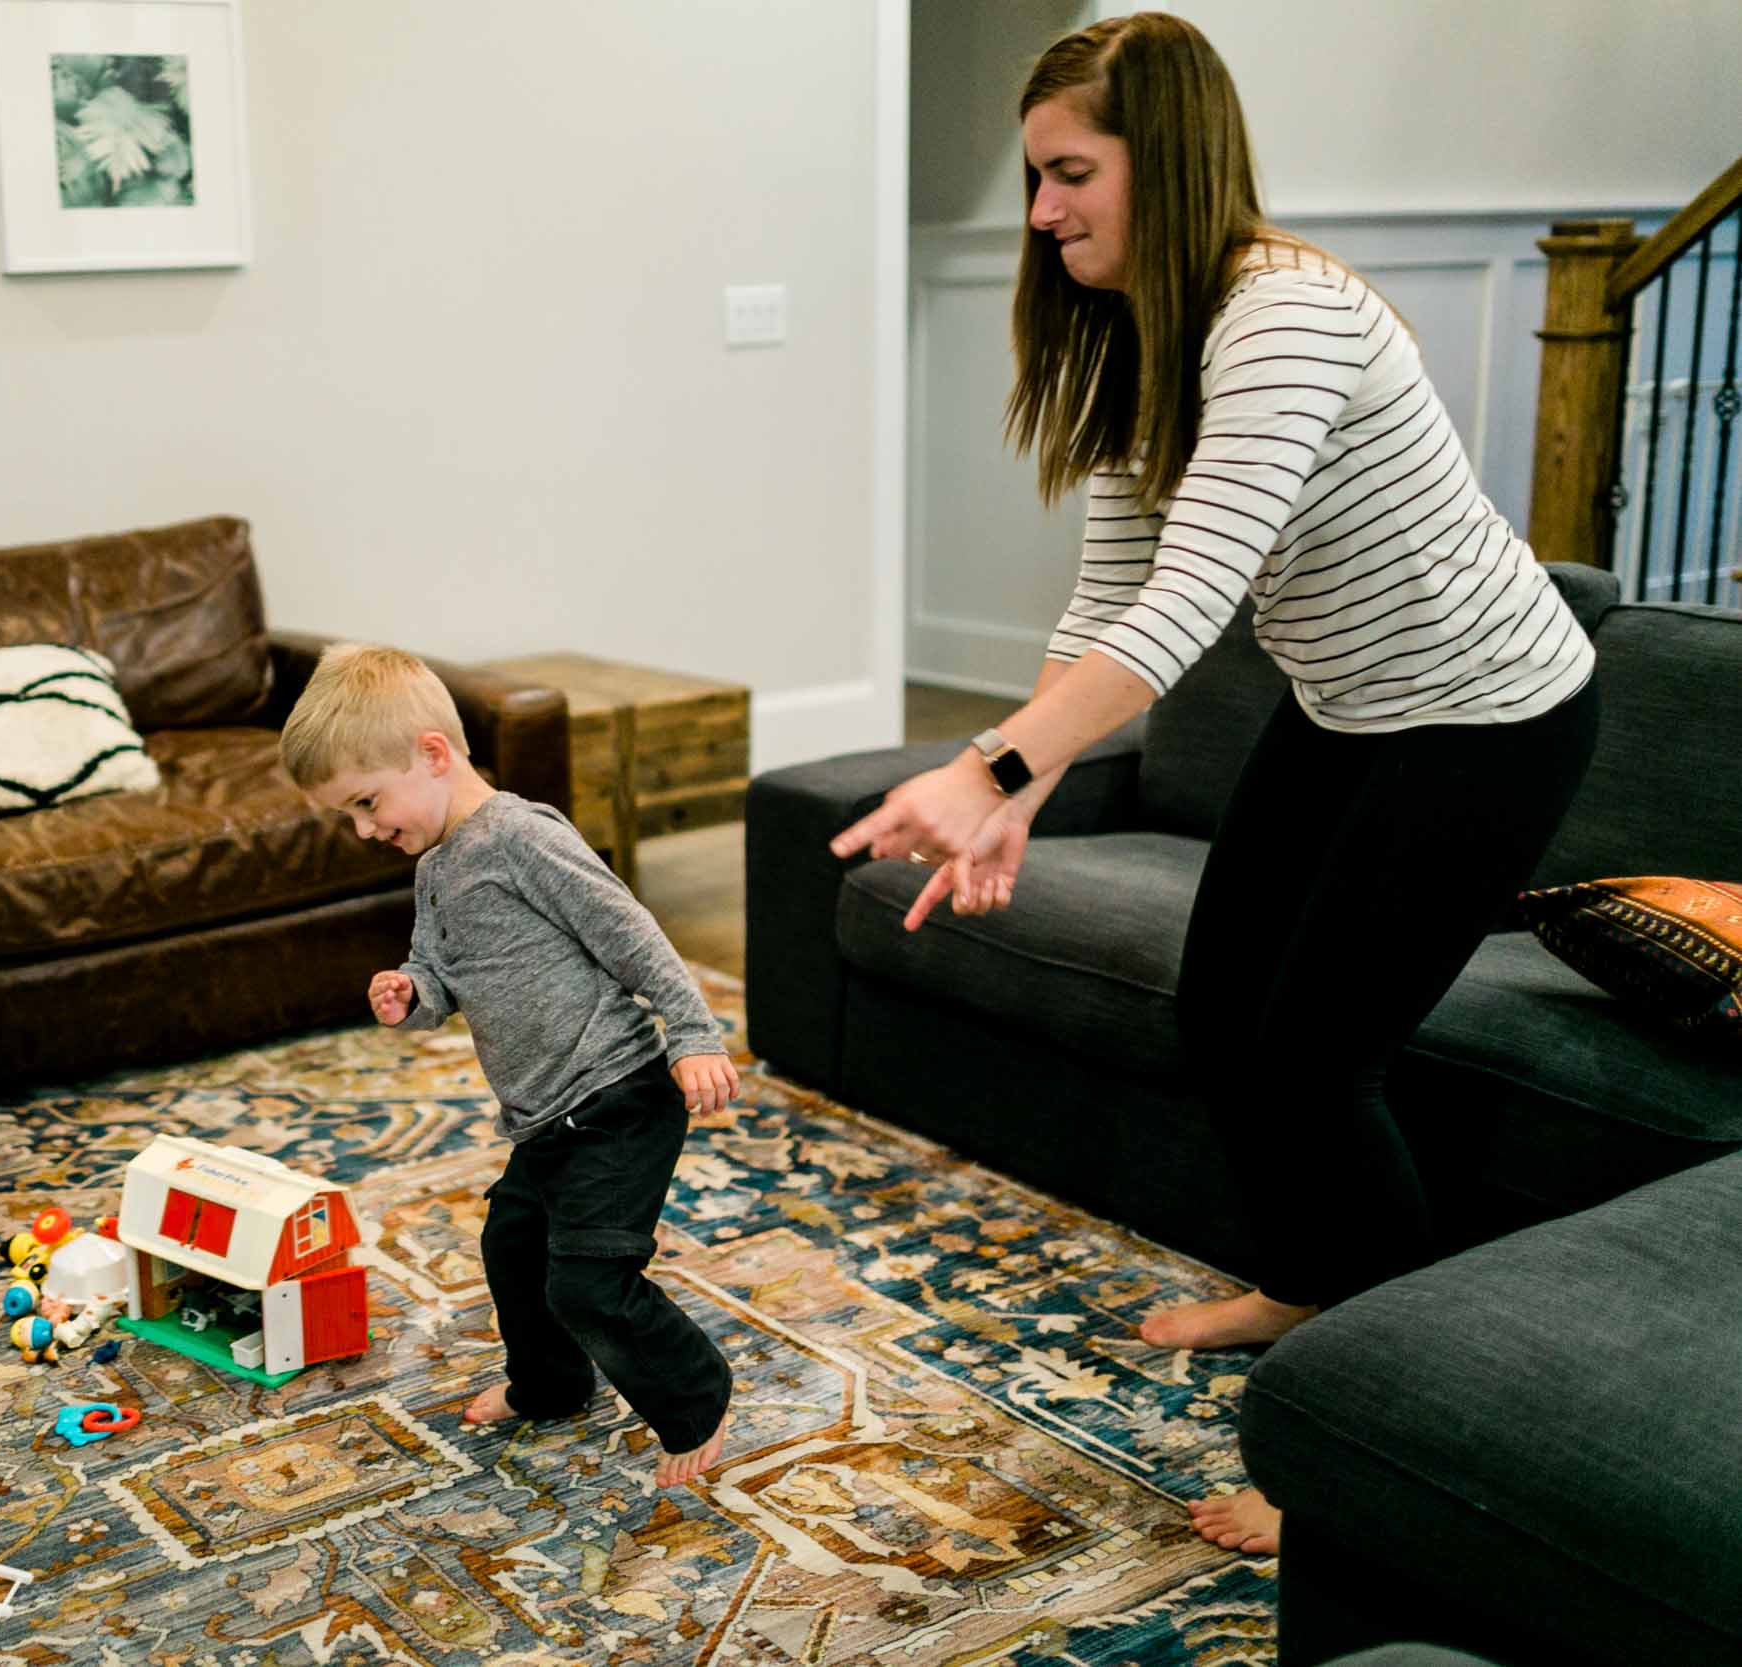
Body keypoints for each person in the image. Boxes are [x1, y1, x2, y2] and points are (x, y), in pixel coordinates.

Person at [829, 13, 1599, 1556]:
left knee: (1318, 1056)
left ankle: (1371, 1441)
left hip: (1490, 720)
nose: (1041, 213)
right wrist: (1023, 790)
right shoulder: (1143, 329)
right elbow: (1114, 590)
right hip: (1353, 709)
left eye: (1068, 174)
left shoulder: (1283, 315)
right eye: (1036, 178)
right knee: (1221, 1006)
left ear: (1162, 159)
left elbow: (1189, 607)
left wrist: (984, 767)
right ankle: (1310, 1285)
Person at [281, 645, 744, 1488]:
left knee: (589, 1281)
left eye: (367, 802)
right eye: (347, 813)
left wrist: (693, 1033)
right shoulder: (435, 869)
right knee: (512, 1248)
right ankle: (552, 1386)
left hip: (620, 1094)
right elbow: (439, 973)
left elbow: (629, 930)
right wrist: (408, 993)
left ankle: (695, 1395)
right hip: (544, 1116)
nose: (363, 829)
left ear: (431, 754)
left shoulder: (524, 838)